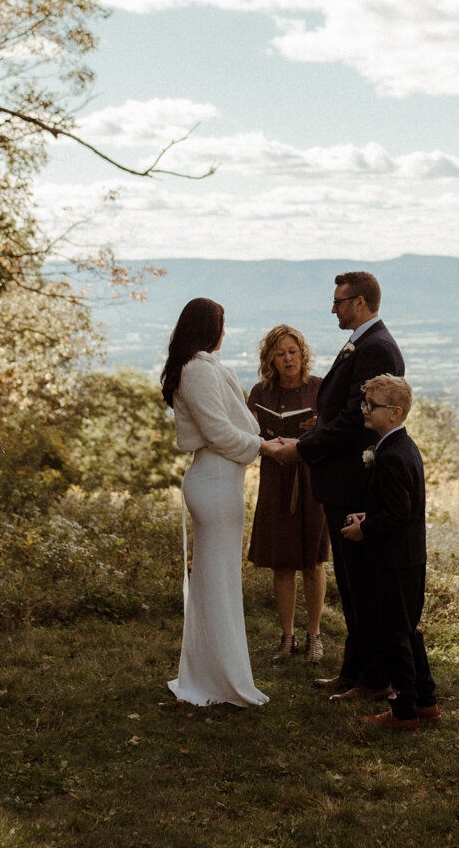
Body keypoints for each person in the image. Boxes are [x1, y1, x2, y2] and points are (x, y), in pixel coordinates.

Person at [270, 270, 404, 701]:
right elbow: (342, 412)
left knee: (363, 584)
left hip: (355, 484)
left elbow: (355, 419)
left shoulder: (376, 347)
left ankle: (375, 680)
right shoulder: (363, 343)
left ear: (360, 303)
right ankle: (354, 671)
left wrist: (305, 447)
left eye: (339, 302)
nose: (334, 309)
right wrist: (318, 425)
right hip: (341, 479)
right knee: (350, 583)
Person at [163, 297, 286, 707]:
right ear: (207, 328)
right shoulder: (197, 371)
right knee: (217, 586)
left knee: (220, 584)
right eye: (221, 323)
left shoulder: (204, 367)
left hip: (222, 480)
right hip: (213, 481)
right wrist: (264, 447)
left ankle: (213, 675)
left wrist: (260, 441)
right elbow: (218, 433)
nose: (224, 331)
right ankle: (218, 682)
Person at [343, 374, 439, 731]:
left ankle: (403, 712)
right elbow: (401, 506)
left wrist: (363, 529)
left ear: (395, 413)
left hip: (395, 559)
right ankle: (426, 702)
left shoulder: (393, 455)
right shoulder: (401, 447)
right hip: (409, 556)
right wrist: (370, 514)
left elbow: (399, 514)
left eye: (371, 405)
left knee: (395, 635)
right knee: (408, 630)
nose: (364, 410)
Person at [246, 324, 329, 662]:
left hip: (311, 478)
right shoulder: (260, 392)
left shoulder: (319, 388)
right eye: (280, 354)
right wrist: (266, 440)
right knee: (282, 563)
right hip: (276, 477)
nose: (288, 358)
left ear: (302, 353)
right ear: (271, 360)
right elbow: (247, 435)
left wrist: (318, 427)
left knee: (312, 561)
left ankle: (314, 636)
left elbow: (335, 431)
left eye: (292, 351)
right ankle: (287, 637)